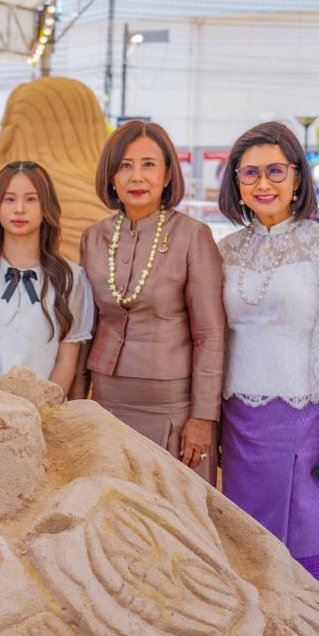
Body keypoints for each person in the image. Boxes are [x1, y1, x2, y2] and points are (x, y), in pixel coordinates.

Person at [216, 121, 319, 610]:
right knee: (245, 540)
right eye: (250, 173)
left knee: (308, 535)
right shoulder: (225, 250)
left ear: (298, 177)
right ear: (236, 182)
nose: (263, 184)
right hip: (239, 425)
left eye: (275, 171)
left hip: (308, 423)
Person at [75, 121, 225, 484]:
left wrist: (203, 417)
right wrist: (77, 400)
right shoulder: (93, 238)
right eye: (125, 166)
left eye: (148, 165)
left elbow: (210, 335)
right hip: (108, 399)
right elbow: (85, 328)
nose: (137, 177)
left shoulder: (193, 236)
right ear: (111, 176)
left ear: (168, 174)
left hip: (173, 405)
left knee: (176, 503)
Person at [0, 161, 92, 389]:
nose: (19, 209)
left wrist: (43, 404)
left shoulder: (71, 279)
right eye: (9, 199)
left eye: (31, 199)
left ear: (46, 206)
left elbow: (67, 362)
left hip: (48, 407)